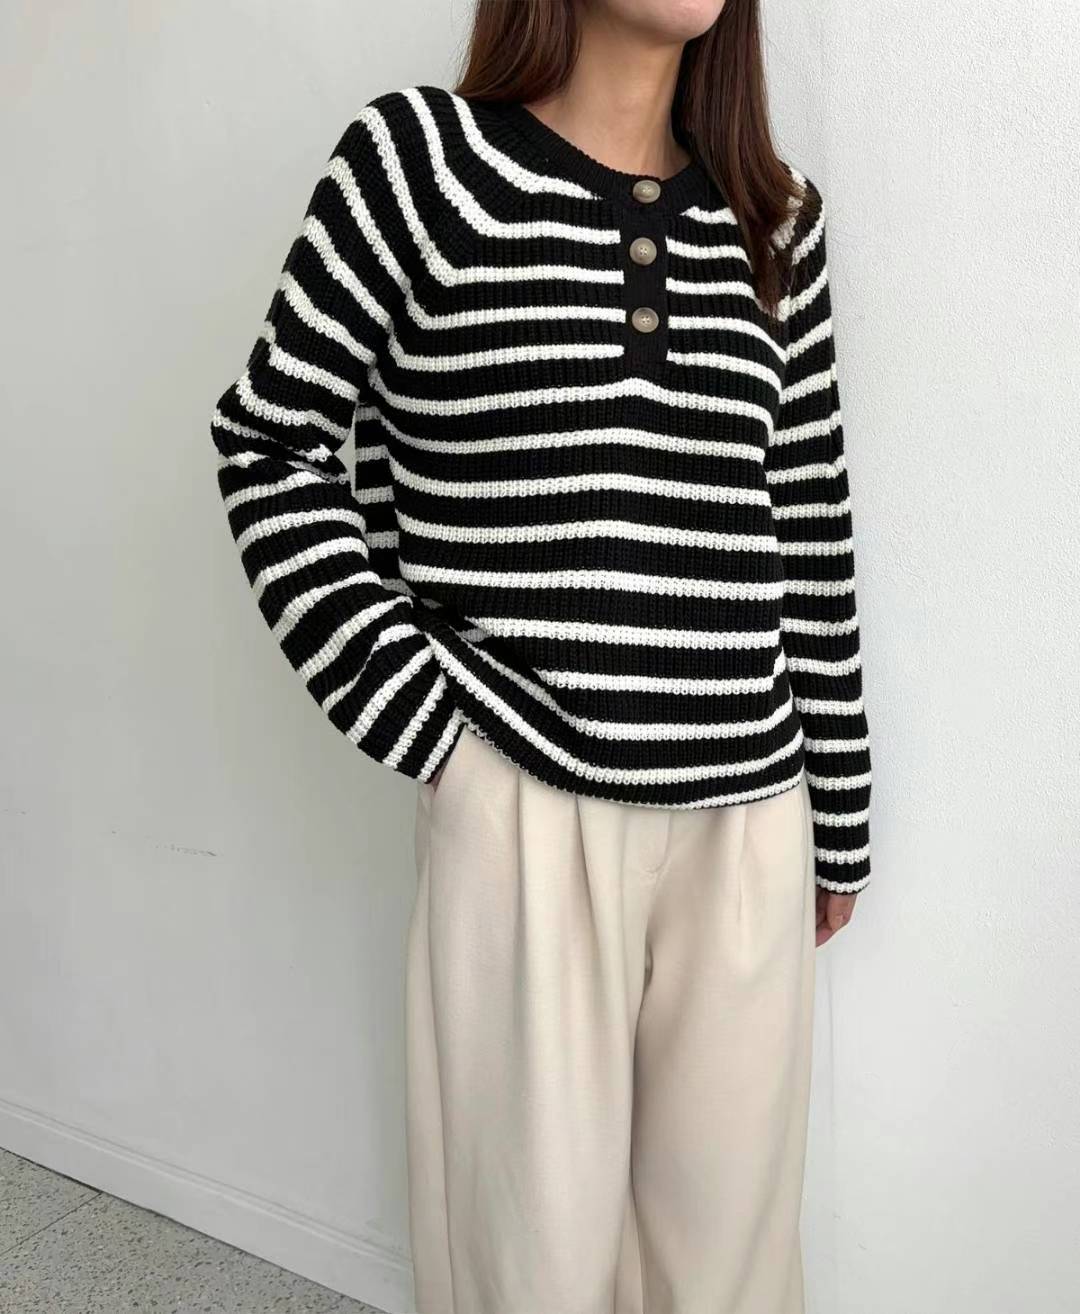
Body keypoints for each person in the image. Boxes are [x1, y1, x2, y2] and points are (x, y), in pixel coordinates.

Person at [208, 0, 873, 1309]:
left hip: (750, 820)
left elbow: (806, 522)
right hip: (523, 800)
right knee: (529, 1271)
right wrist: (437, 734)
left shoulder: (776, 220)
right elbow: (269, 445)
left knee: (730, 1276)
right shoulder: (418, 167)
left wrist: (838, 817)